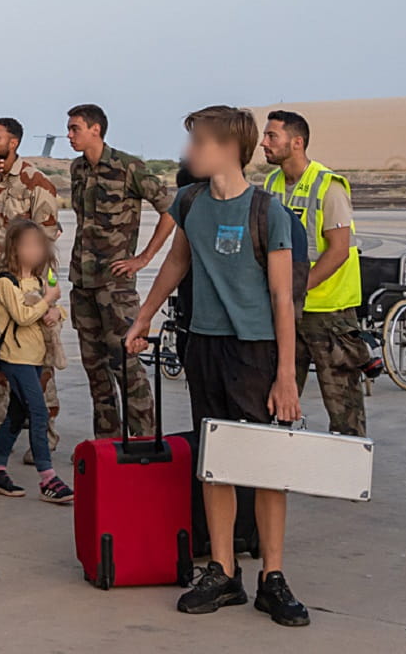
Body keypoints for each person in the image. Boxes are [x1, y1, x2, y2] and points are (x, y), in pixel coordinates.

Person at [127, 105, 307, 627]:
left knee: (266, 465)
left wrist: (287, 374)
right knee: (216, 460)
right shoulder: (191, 202)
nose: (189, 153)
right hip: (203, 345)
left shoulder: (268, 212)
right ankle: (222, 571)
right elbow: (178, 261)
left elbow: (281, 298)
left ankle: (272, 577)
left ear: (228, 148)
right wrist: (143, 318)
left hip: (255, 352)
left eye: (198, 142)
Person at [65, 103, 175, 439]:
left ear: (95, 129)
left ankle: (143, 443)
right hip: (82, 282)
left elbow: (170, 211)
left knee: (126, 366)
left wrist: (143, 257)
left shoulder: (129, 167)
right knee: (95, 370)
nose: (69, 135)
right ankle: (108, 445)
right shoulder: (77, 169)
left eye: (75, 128)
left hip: (115, 286)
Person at [0, 116, 62, 459]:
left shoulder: (36, 182)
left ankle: (43, 434)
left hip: (26, 287)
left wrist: (44, 296)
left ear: (13, 143)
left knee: (35, 360)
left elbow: (46, 241)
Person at [261, 110, 368, 437]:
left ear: (297, 142)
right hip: (288, 311)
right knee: (277, 398)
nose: (263, 143)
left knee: (343, 405)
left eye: (271, 136)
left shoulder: (329, 185)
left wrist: (298, 287)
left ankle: (350, 474)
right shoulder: (270, 183)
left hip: (328, 314)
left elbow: (338, 250)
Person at [0, 219, 74, 505]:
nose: (34, 250)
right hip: (15, 358)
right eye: (27, 245)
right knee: (39, 412)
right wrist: (48, 301)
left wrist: (58, 312)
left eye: (38, 245)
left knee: (16, 415)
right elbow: (23, 316)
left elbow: (52, 310)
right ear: (14, 249)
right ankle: (48, 477)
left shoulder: (41, 281)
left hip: (35, 357)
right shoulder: (6, 283)